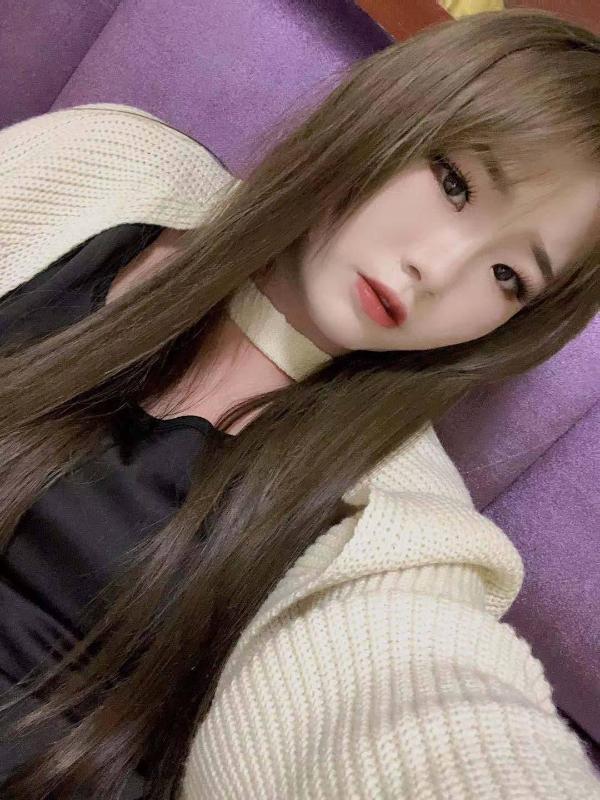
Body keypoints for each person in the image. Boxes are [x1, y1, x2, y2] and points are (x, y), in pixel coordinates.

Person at [0, 8, 599, 799]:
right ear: (394, 109)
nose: (439, 268)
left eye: (508, 277)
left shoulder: (393, 523)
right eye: (455, 183)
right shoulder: (105, 171)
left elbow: (408, 704)